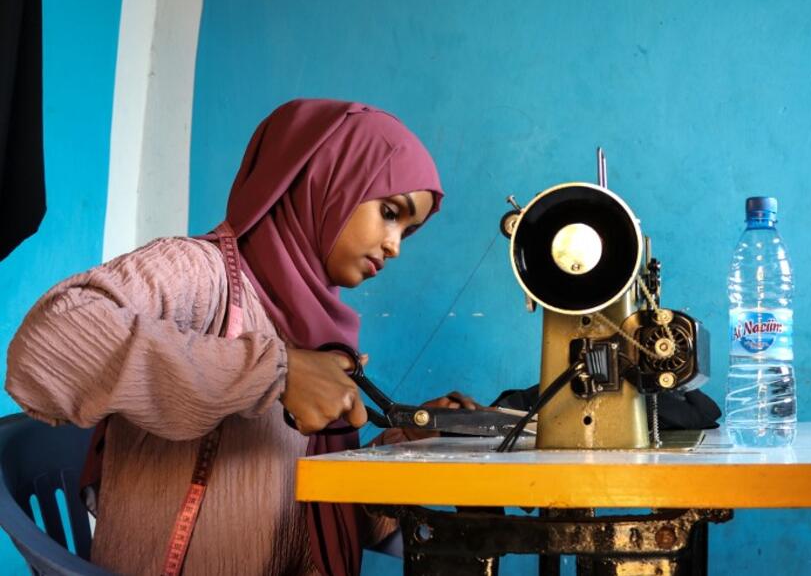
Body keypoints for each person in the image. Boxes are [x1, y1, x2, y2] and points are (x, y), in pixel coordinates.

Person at [5, 99, 473, 575]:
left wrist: (410, 444)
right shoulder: (201, 273)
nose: (395, 246)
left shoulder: (319, 329)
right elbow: (46, 344)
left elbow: (325, 520)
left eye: (408, 231)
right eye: (390, 212)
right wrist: (276, 372)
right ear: (325, 179)